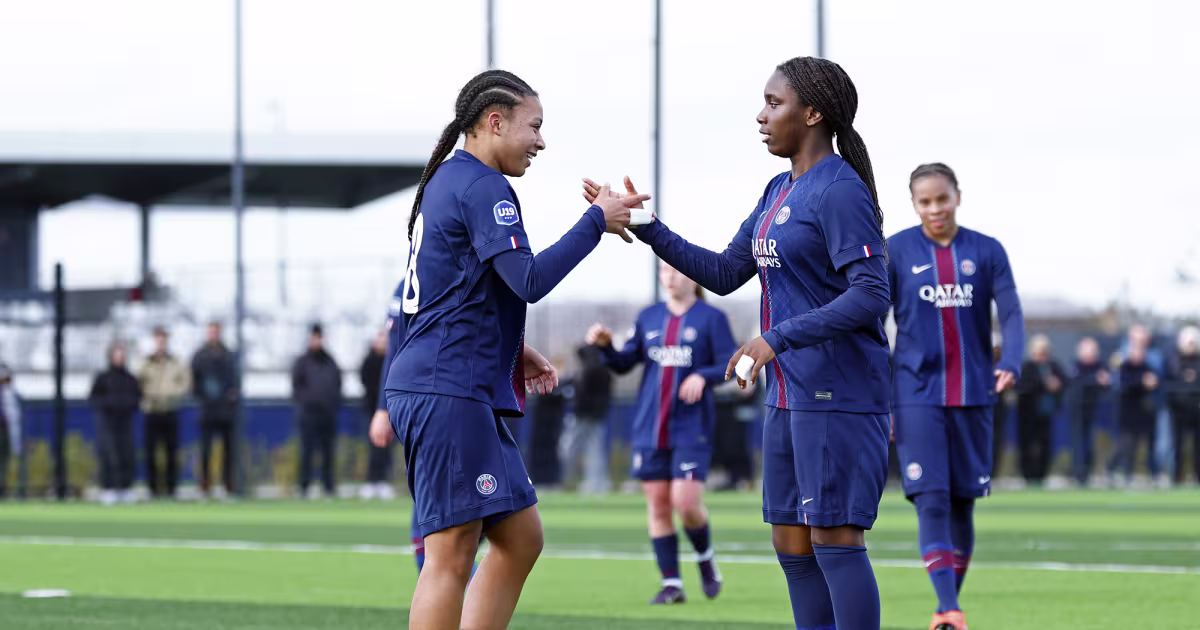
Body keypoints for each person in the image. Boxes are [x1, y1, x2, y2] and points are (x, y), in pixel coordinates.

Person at [586, 56, 892, 630]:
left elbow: (872, 295)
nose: (761, 115)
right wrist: (647, 227)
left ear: (814, 113)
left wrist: (774, 339)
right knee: (791, 542)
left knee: (833, 537)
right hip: (786, 396)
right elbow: (725, 272)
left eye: (774, 104)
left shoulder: (839, 190)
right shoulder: (779, 188)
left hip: (837, 394)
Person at [381, 69, 645, 630]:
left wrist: (511, 346)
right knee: (449, 558)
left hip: (447, 381)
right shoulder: (483, 186)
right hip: (445, 388)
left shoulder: (451, 181)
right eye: (535, 127)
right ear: (494, 122)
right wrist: (595, 221)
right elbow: (526, 279)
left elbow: (457, 291)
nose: (542, 142)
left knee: (521, 538)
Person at [885, 162, 1025, 630]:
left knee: (964, 501)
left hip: (973, 392)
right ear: (913, 204)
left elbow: (1011, 312)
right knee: (931, 498)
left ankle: (947, 608)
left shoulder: (986, 251)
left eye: (942, 198)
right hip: (914, 393)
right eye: (924, 201)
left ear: (957, 196)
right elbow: (869, 320)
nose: (935, 209)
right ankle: (948, 609)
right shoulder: (896, 251)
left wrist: (1012, 361)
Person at [585, 261, 737, 604]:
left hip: (690, 427)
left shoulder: (711, 319)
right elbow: (625, 363)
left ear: (692, 277)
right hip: (649, 428)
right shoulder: (648, 317)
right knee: (657, 505)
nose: (670, 278)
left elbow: (729, 363)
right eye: (665, 272)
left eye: (677, 271)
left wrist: (704, 375)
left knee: (685, 503)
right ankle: (672, 585)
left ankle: (705, 558)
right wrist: (607, 347)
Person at [139, 326, 191, 499]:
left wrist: (172, 394)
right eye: (158, 339)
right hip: (151, 411)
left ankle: (171, 489)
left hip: (170, 410)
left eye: (163, 339)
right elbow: (138, 381)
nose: (161, 343)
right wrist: (148, 395)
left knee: (171, 452)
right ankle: (152, 489)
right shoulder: (146, 362)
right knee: (151, 452)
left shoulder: (175, 362)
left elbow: (185, 383)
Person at [291, 323, 342, 499]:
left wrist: (332, 404)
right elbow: (296, 387)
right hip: (308, 414)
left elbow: (337, 385)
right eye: (314, 337)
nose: (317, 341)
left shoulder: (330, 361)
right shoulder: (302, 362)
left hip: (327, 414)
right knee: (307, 451)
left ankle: (328, 486)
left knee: (328, 452)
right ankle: (304, 486)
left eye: (319, 337)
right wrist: (306, 403)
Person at [89, 342, 142, 504]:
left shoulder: (130, 378)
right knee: (109, 456)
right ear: (110, 356)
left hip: (125, 423)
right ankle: (109, 489)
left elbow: (137, 398)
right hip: (108, 423)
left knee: (127, 455)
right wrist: (109, 405)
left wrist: (126, 405)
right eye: (116, 354)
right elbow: (93, 399)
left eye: (121, 354)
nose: (119, 357)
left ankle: (125, 489)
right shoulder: (103, 378)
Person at [192, 321, 239, 497]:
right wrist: (204, 395)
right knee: (205, 451)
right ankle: (205, 486)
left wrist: (231, 395)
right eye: (211, 331)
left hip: (226, 412)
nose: (214, 334)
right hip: (207, 411)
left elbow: (235, 381)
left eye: (216, 331)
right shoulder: (199, 356)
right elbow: (194, 382)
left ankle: (228, 486)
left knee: (229, 450)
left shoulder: (229, 355)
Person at [559, 344, 613, 494]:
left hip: (582, 416)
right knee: (595, 450)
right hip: (597, 416)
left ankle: (561, 480)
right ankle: (597, 484)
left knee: (568, 448)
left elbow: (580, 393)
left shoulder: (586, 371)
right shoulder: (604, 371)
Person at [1016, 334, 1065, 486]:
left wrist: (1057, 385)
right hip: (1028, 415)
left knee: (1045, 445)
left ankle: (1041, 475)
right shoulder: (1027, 367)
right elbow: (1023, 387)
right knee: (1027, 445)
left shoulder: (1053, 366)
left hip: (1046, 413)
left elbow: (1065, 381)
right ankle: (1028, 476)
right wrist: (1044, 384)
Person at [1069, 336, 1110, 486]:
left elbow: (1109, 381)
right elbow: (1077, 381)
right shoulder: (1076, 366)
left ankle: (1089, 472)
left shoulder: (1101, 366)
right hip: (1078, 410)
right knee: (1079, 441)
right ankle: (1078, 473)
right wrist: (1095, 379)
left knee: (1092, 442)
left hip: (1096, 409)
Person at [359, 329, 395, 500]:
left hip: (392, 412)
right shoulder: (369, 361)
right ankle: (371, 481)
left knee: (386, 449)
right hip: (373, 412)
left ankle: (382, 481)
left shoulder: (392, 360)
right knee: (373, 448)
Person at [1167, 326, 1200, 485]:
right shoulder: (1173, 361)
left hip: (1197, 410)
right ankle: (1176, 477)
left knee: (1197, 447)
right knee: (1176, 445)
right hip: (1178, 410)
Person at [0, 363, 20, 499]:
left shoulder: (9, 393)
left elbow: (14, 415)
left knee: (4, 460)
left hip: (4, 430)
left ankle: (2, 489)